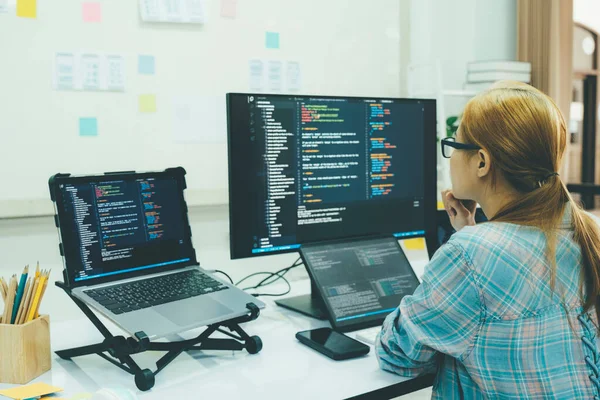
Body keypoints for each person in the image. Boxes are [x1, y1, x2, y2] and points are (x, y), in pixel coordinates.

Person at [376, 81, 600, 399]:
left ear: (482, 161)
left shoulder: (469, 255)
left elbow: (399, 354)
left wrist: (468, 240)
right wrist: (469, 229)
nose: (450, 157)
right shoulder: (585, 230)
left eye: (454, 146)